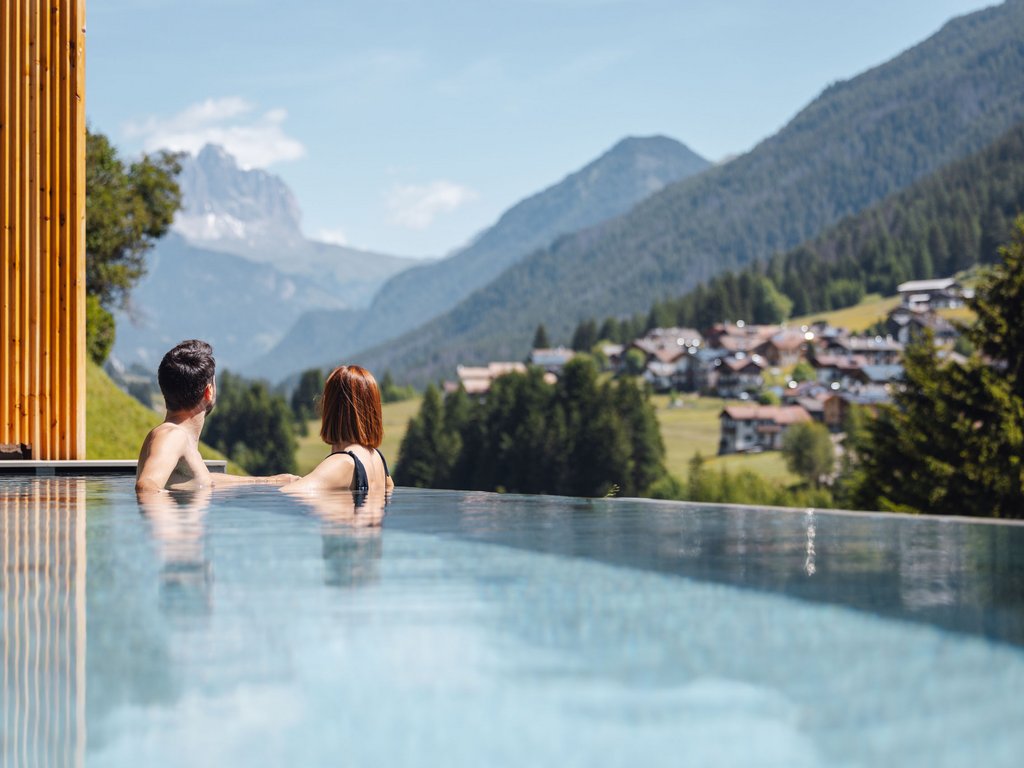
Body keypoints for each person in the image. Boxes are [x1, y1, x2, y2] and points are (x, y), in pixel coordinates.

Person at [136, 339, 298, 492]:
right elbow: (146, 486)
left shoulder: (178, 438)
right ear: (209, 391)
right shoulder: (172, 435)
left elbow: (206, 480)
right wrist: (171, 520)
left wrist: (269, 481)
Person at [281, 364, 395, 494]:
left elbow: (286, 495)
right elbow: (390, 488)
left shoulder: (344, 463)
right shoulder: (378, 460)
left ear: (332, 410)